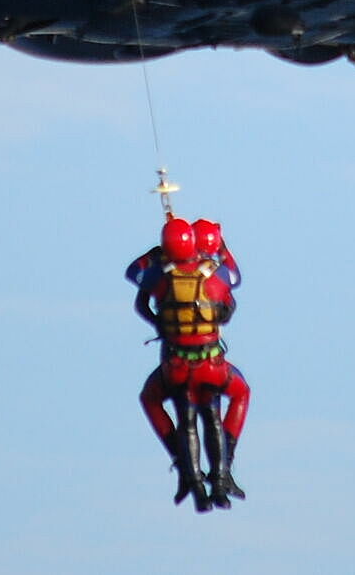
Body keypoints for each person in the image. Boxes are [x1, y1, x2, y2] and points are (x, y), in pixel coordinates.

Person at [129, 217, 250, 511]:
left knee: (156, 401)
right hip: (212, 364)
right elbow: (234, 279)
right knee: (237, 395)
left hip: (176, 366)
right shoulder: (216, 274)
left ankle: (187, 472)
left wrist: (154, 255)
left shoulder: (160, 278)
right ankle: (222, 474)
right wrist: (221, 248)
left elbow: (134, 273)